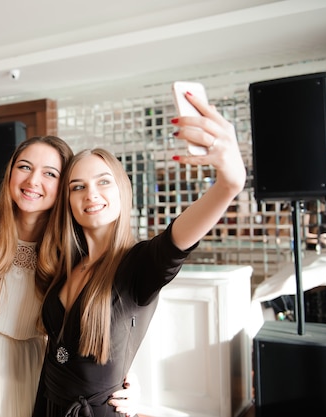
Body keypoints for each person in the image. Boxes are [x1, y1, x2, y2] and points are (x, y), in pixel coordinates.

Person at [34, 91, 247, 416]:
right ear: (68, 201)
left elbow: (179, 237)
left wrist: (229, 182)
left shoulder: (140, 265)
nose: (91, 194)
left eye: (103, 182)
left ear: (122, 191)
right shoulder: (66, 262)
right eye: (77, 186)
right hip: (46, 404)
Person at [0, 136, 138, 417]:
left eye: (50, 173)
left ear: (65, 186)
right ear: (10, 172)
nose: (33, 181)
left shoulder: (73, 248)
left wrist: (131, 378)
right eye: (24, 167)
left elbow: (113, 315)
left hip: (30, 369)